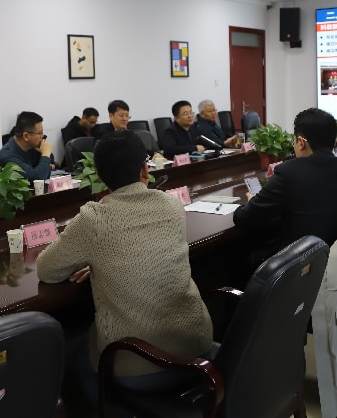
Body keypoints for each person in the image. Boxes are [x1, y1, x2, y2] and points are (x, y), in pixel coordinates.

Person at [37, 130, 213, 404]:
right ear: (145, 169)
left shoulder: (94, 219)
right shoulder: (172, 205)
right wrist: (100, 257)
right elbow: (143, 248)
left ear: (98, 176)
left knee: (78, 362)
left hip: (139, 365)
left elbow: (46, 270)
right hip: (197, 347)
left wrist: (94, 257)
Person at [233, 108, 337, 252]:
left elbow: (244, 218)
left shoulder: (288, 173)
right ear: (335, 141)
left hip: (302, 262)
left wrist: (253, 201)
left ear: (300, 142)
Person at [0, 111, 54, 182]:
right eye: (40, 133)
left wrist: (44, 154)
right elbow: (36, 179)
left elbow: (45, 173)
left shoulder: (31, 147)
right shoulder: (8, 157)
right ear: (26, 136)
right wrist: (45, 154)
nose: (42, 136)